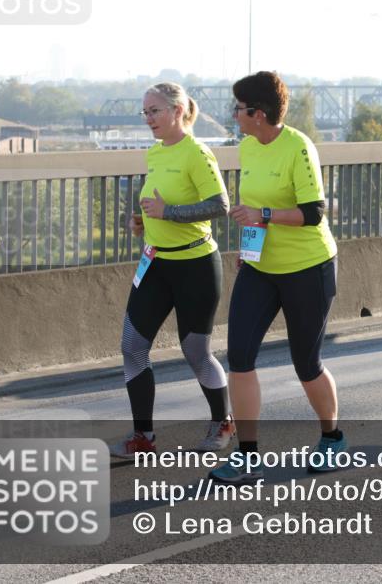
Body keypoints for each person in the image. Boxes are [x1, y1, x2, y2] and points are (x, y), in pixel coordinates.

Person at [209, 71, 343, 483]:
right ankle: (248, 456)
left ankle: (332, 437)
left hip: (308, 267)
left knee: (306, 363)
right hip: (261, 268)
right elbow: (251, 208)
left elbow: (314, 213)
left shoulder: (298, 147)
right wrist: (249, 249)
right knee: (239, 358)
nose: (234, 114)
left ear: (259, 113)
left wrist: (264, 215)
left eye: (238, 108)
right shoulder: (248, 147)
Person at [111, 83, 233, 458]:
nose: (148, 119)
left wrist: (169, 213)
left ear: (177, 111)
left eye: (155, 111)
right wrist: (144, 222)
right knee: (132, 347)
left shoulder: (197, 152)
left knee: (196, 353)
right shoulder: (155, 153)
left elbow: (220, 205)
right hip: (156, 263)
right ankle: (143, 438)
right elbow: (159, 205)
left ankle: (223, 422)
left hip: (195, 266)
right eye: (145, 112)